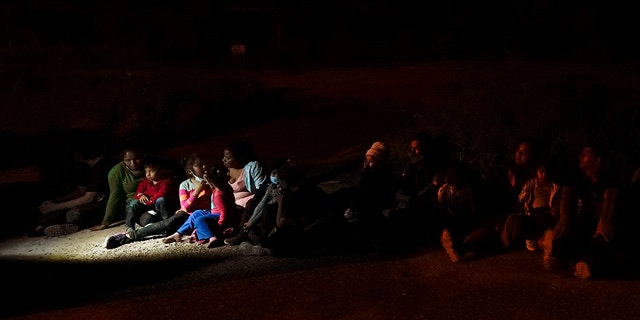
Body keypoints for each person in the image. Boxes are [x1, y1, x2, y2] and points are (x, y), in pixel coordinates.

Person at [542, 142, 622, 279]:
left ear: (597, 160)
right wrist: (563, 219)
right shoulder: (578, 177)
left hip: (598, 226)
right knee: (565, 235)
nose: (581, 157)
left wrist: (603, 221)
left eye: (586, 155)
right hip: (583, 224)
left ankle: (584, 264)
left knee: (601, 240)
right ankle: (556, 254)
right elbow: (566, 193)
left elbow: (609, 198)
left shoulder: (609, 179)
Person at [104, 153, 212, 249]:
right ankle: (129, 235)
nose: (204, 167)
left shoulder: (213, 181)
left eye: (205, 164)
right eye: (199, 165)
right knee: (173, 219)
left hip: (208, 214)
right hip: (188, 216)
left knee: (168, 220)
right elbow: (186, 208)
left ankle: (131, 235)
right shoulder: (185, 185)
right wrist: (196, 192)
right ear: (190, 171)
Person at [28, 144, 117, 237]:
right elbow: (82, 190)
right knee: (68, 209)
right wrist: (57, 202)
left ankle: (72, 226)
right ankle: (46, 226)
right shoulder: (95, 166)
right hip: (105, 201)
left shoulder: (100, 167)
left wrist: (55, 206)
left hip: (111, 203)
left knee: (74, 213)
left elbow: (88, 198)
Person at [162, 163, 239, 248]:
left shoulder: (218, 195)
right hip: (215, 212)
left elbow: (224, 213)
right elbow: (185, 207)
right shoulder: (222, 187)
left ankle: (212, 238)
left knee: (199, 220)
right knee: (197, 213)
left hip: (221, 216)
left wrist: (220, 226)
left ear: (209, 180)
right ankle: (178, 233)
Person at [343, 141, 398, 246]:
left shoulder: (384, 179)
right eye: (367, 161)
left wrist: (364, 176)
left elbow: (363, 197)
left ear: (381, 162)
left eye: (371, 161)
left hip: (371, 220)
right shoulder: (369, 176)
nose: (369, 164)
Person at [501, 159, 562, 250]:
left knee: (546, 222)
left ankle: (539, 240)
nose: (544, 175)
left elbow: (557, 202)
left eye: (546, 172)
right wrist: (524, 209)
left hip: (546, 214)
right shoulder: (530, 184)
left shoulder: (554, 187)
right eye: (541, 172)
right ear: (536, 173)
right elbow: (521, 199)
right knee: (516, 219)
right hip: (532, 214)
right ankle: (508, 243)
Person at [219, 138, 270, 241]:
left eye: (228, 158)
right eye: (224, 157)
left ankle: (243, 232)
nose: (223, 160)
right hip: (233, 205)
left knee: (247, 206)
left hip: (248, 205)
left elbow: (262, 189)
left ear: (239, 158)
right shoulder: (226, 170)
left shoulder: (254, 166)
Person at [89, 145, 146, 231]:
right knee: (147, 220)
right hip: (135, 206)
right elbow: (115, 197)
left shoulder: (150, 165)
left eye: (136, 159)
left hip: (154, 200)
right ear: (123, 159)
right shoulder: (116, 172)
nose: (133, 163)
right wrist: (105, 222)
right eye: (128, 160)